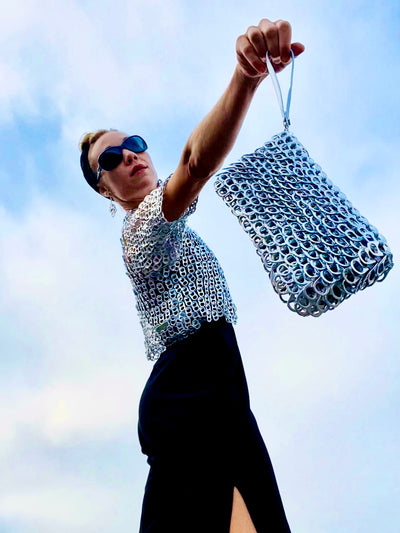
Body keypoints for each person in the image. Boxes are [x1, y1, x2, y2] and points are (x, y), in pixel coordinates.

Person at [80, 18, 304, 533]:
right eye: (110, 158)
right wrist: (245, 79)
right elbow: (195, 163)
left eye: (132, 142)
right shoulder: (141, 232)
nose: (129, 155)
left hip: (222, 391)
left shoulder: (171, 227)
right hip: (189, 394)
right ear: (104, 189)